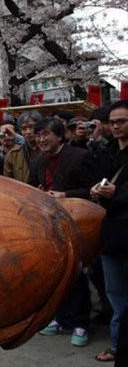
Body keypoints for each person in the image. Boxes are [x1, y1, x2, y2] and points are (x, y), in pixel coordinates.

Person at [33, 117, 96, 347]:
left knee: (76, 274)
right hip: (50, 225)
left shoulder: (80, 157)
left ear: (60, 136)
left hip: (77, 222)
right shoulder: (38, 161)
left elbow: (94, 190)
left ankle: (80, 323)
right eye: (38, 135)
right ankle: (60, 318)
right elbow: (34, 185)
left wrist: (65, 195)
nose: (40, 139)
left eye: (45, 134)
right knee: (56, 274)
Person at [90, 100, 128, 363]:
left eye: (121, 121)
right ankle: (118, 345)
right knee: (116, 296)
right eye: (112, 122)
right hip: (112, 236)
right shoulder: (108, 152)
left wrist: (118, 193)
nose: (115, 126)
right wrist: (97, 191)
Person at [4, 111, 42, 183]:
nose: (28, 132)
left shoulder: (48, 151)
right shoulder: (13, 154)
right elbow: (8, 183)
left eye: (31, 127)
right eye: (24, 128)